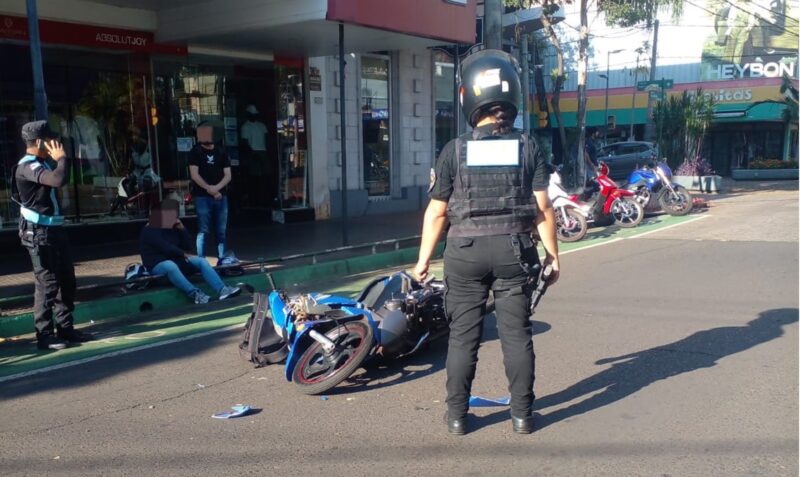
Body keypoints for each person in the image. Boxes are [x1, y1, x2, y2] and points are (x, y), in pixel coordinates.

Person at [413, 49, 560, 436]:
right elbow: (543, 210)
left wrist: (423, 261)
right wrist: (553, 256)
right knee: (516, 335)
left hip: (464, 253)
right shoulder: (528, 147)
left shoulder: (454, 151)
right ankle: (523, 417)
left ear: (469, 98)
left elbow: (437, 213)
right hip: (514, 251)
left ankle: (458, 418)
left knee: (463, 337)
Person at [12, 120, 94, 350]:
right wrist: (61, 159)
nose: (54, 143)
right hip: (38, 233)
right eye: (49, 139)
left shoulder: (42, 163)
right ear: (39, 141)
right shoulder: (27, 166)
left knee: (67, 281)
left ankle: (65, 328)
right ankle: (44, 336)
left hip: (55, 230)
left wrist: (57, 161)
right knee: (47, 283)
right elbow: (58, 180)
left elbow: (59, 179)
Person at [140, 199, 241, 304]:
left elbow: (187, 245)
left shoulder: (172, 227)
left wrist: (182, 229)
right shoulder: (149, 229)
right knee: (169, 265)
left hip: (177, 262)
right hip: (158, 266)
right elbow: (166, 247)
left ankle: (223, 290)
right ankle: (196, 294)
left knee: (201, 261)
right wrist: (183, 254)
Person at [189, 122, 231, 260]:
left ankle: (223, 261)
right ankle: (202, 262)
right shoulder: (195, 151)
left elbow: (228, 175)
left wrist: (217, 189)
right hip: (202, 197)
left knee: (221, 232)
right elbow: (194, 175)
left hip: (221, 196)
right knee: (203, 231)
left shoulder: (221, 150)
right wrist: (210, 189)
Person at [240, 105, 269, 207]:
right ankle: (254, 200)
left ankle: (263, 198)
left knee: (264, 177)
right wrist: (252, 154)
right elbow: (245, 143)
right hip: (253, 153)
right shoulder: (245, 126)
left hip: (262, 151)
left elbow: (266, 139)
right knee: (254, 178)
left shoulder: (262, 126)